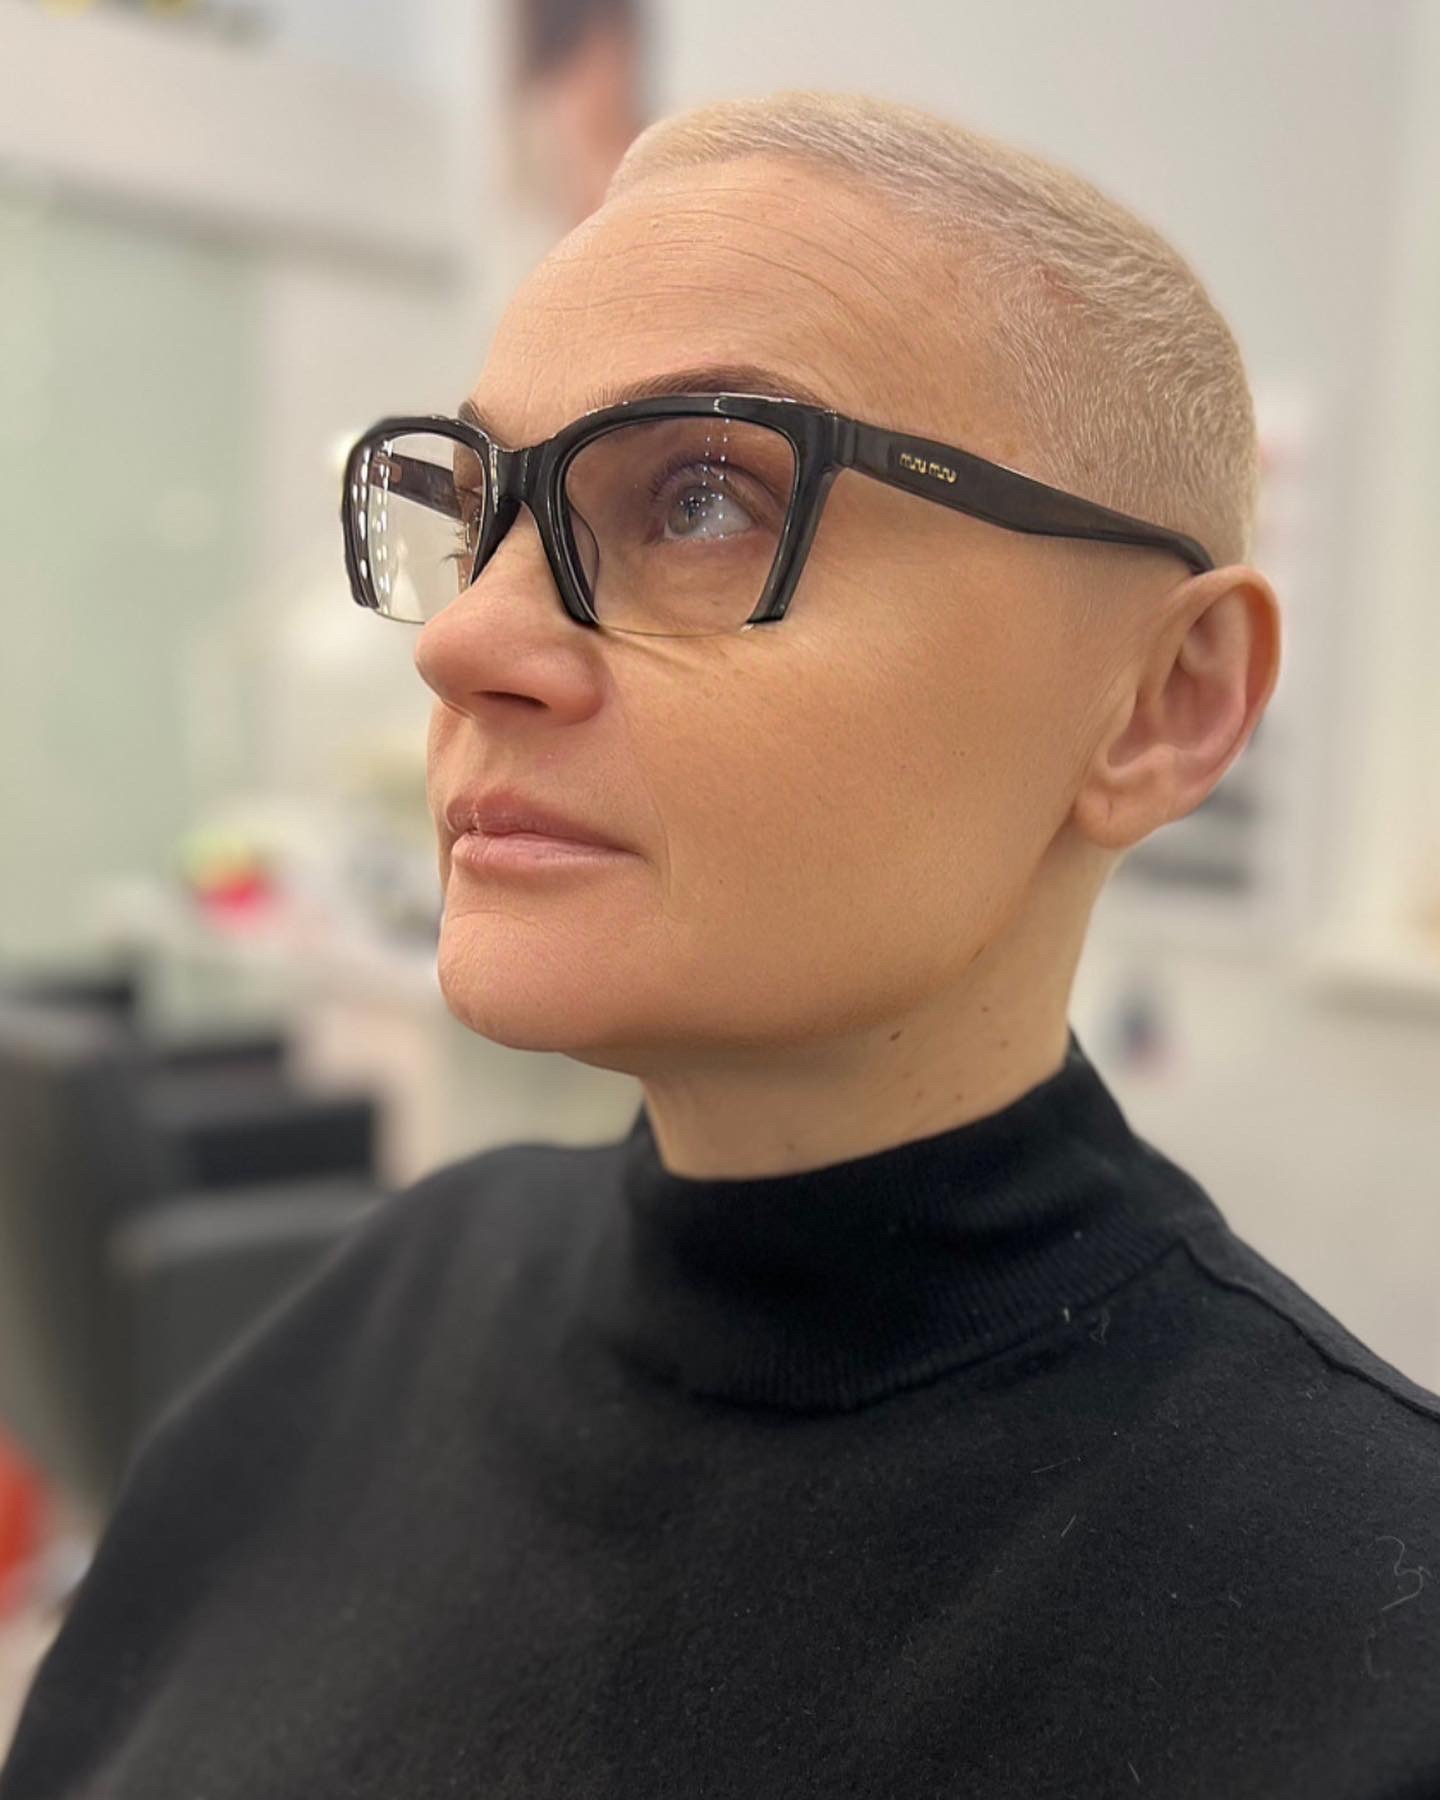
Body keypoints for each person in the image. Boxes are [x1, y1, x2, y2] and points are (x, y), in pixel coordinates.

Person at [4, 87, 1439, 1799]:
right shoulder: (385, 1302)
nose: (462, 641)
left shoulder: (1373, 1648)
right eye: (482, 510)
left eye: (701, 500)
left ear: (1164, 703)